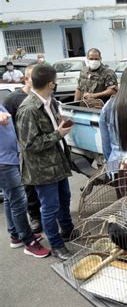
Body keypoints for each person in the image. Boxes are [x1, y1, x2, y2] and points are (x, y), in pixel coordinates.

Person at [16, 64, 76, 261]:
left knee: (65, 199)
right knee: (49, 207)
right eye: (55, 82)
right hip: (42, 170)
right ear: (51, 84)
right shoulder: (29, 109)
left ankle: (68, 230)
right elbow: (30, 144)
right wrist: (57, 134)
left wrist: (61, 125)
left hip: (57, 163)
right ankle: (57, 244)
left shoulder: (50, 101)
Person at [0, 107, 50, 258]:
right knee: (19, 201)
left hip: (9, 157)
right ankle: (29, 242)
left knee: (10, 199)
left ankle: (16, 235)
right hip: (3, 163)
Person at [3, 64, 43, 233]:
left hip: (41, 149)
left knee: (43, 183)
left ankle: (45, 214)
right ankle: (33, 218)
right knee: (27, 187)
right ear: (26, 79)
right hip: (21, 152)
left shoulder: (42, 95)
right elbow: (8, 124)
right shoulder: (13, 99)